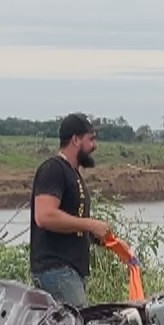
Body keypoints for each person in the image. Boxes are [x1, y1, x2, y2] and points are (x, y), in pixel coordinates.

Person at [29, 113, 113, 307]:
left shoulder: (72, 174)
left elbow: (70, 222)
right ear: (75, 140)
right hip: (57, 271)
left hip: (70, 273)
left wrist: (95, 235)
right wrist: (90, 224)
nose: (95, 146)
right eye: (90, 139)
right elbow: (45, 216)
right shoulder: (53, 169)